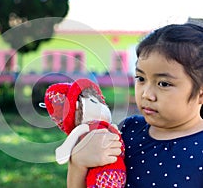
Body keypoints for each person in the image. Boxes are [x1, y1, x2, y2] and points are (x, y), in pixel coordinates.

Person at [67, 23, 203, 187]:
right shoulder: (127, 131)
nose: (146, 94)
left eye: (164, 84)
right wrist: (77, 164)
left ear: (200, 93)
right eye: (141, 78)